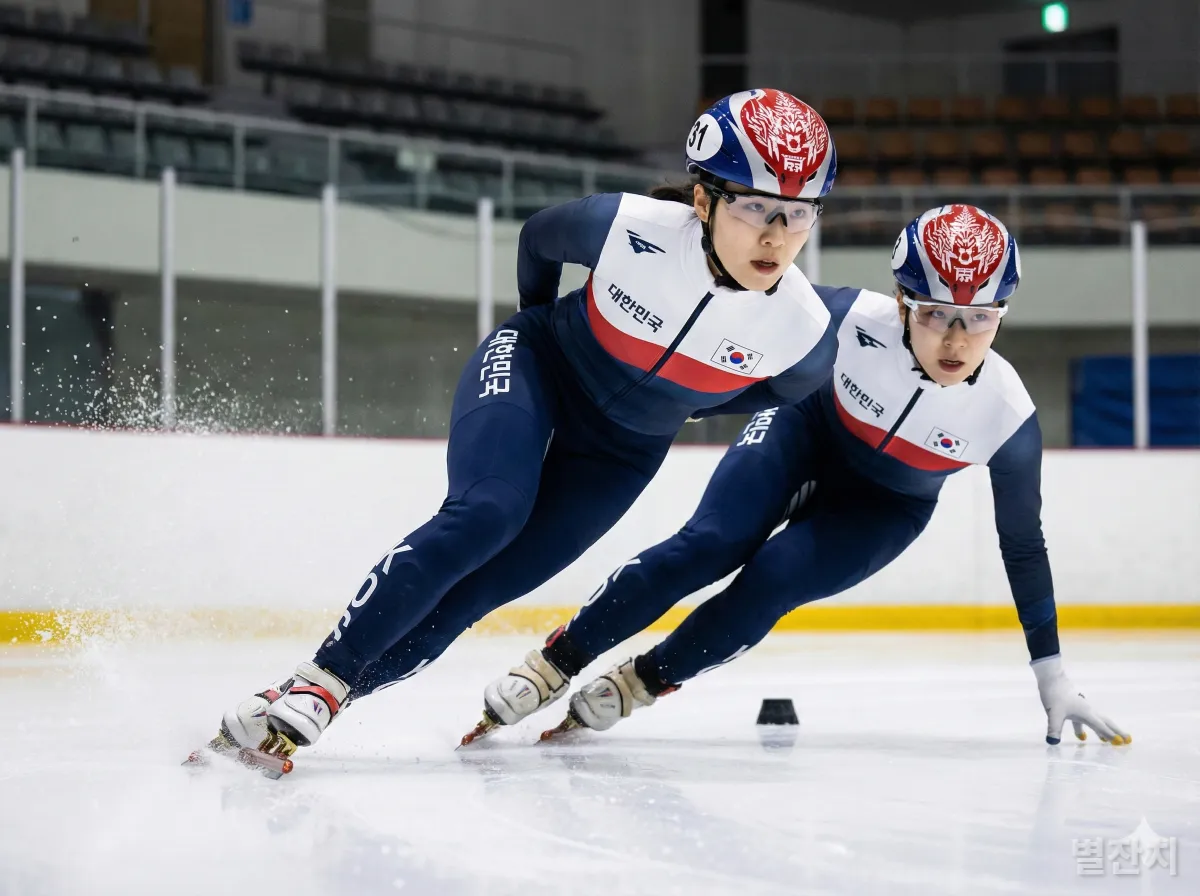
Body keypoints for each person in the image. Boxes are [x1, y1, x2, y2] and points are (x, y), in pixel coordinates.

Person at [196, 88, 843, 771]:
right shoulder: (628, 228)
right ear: (704, 199)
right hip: (540, 368)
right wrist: (534, 329)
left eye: (798, 214)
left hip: (623, 449)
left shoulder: (803, 335)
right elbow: (539, 238)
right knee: (486, 514)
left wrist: (675, 406)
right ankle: (320, 677)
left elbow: (764, 394)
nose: (776, 235)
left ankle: (311, 698)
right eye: (753, 207)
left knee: (479, 592)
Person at [475, 203, 1131, 749]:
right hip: (803, 434)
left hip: (884, 505)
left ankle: (641, 682)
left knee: (773, 581)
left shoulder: (1007, 415)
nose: (956, 341)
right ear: (902, 301)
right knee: (709, 543)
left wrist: (1051, 674)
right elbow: (727, 315)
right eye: (935, 314)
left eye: (980, 319)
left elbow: (1021, 544)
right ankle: (555, 660)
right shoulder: (845, 318)